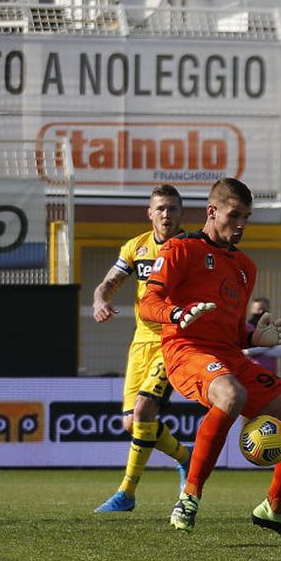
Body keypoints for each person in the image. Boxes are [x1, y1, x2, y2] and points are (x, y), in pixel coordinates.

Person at [139, 178, 281, 541]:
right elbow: (147, 303)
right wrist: (176, 315)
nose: (241, 225)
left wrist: (254, 337)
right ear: (212, 211)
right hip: (186, 351)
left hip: (229, 357)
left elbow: (233, 332)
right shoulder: (179, 249)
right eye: (234, 215)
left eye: (246, 217)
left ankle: (274, 509)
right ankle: (189, 496)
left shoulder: (246, 267)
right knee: (231, 396)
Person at [93, 185, 191, 513]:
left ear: (181, 213)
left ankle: (126, 492)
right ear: (150, 213)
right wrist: (100, 300)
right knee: (130, 424)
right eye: (161, 208)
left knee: (145, 410)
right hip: (141, 343)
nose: (167, 214)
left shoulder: (189, 247)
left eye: (173, 208)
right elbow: (109, 282)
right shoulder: (136, 247)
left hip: (172, 342)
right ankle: (185, 457)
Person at [244, 297, 281, 375]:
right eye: (258, 309)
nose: (261, 312)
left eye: (263, 309)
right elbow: (244, 350)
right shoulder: (245, 327)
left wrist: (253, 351)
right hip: (251, 370)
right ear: (251, 310)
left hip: (269, 371)